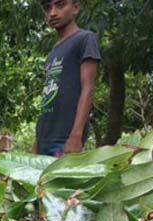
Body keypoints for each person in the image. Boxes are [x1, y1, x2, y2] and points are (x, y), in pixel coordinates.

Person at [34, 0, 101, 157]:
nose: (53, 13)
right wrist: (37, 141)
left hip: (65, 139)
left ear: (75, 8)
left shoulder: (85, 39)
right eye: (47, 8)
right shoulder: (53, 52)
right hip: (45, 138)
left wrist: (76, 136)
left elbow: (88, 88)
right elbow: (48, 97)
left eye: (60, 5)